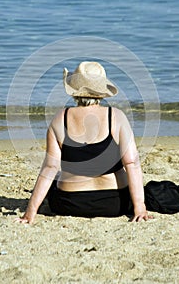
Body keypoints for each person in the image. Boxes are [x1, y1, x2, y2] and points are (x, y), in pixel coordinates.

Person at [16, 61, 151, 224]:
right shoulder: (116, 116)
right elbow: (132, 163)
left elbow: (50, 167)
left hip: (69, 204)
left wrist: (30, 212)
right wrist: (140, 207)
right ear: (102, 91)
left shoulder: (61, 118)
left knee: (56, 178)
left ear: (74, 90)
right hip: (115, 203)